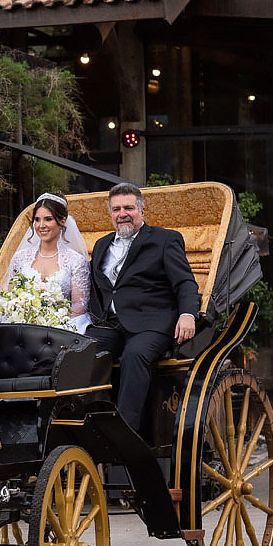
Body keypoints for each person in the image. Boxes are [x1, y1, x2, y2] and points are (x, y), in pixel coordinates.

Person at [86, 182, 199, 437]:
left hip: (152, 324)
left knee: (134, 356)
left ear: (142, 210)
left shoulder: (164, 239)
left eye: (128, 207)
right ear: (110, 214)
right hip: (111, 324)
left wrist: (187, 314)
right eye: (116, 209)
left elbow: (184, 282)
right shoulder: (103, 244)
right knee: (79, 353)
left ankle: (125, 434)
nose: (122, 213)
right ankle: (85, 426)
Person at [1, 192, 91, 333]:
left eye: (48, 219)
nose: (41, 225)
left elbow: (79, 307)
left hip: (62, 327)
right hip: (21, 325)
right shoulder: (20, 258)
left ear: (62, 221)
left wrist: (52, 323)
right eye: (37, 220)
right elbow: (9, 296)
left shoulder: (76, 261)